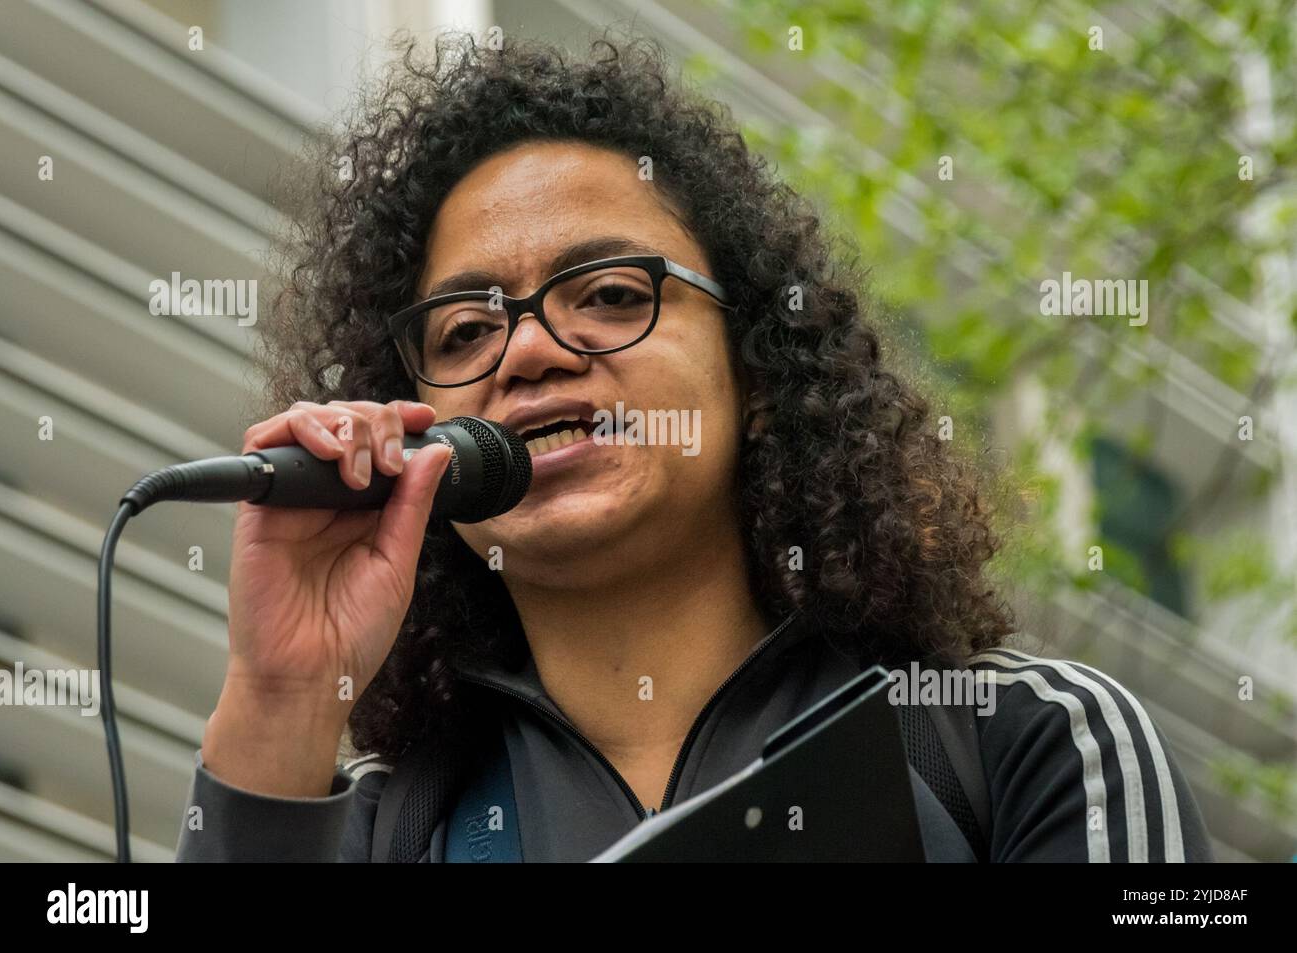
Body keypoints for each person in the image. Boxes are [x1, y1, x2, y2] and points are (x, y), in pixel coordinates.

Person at [174, 31, 1212, 862]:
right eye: (465, 330)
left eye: (613, 295)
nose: (528, 348)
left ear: (757, 374)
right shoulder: (380, 833)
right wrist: (287, 697)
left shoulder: (1025, 744)